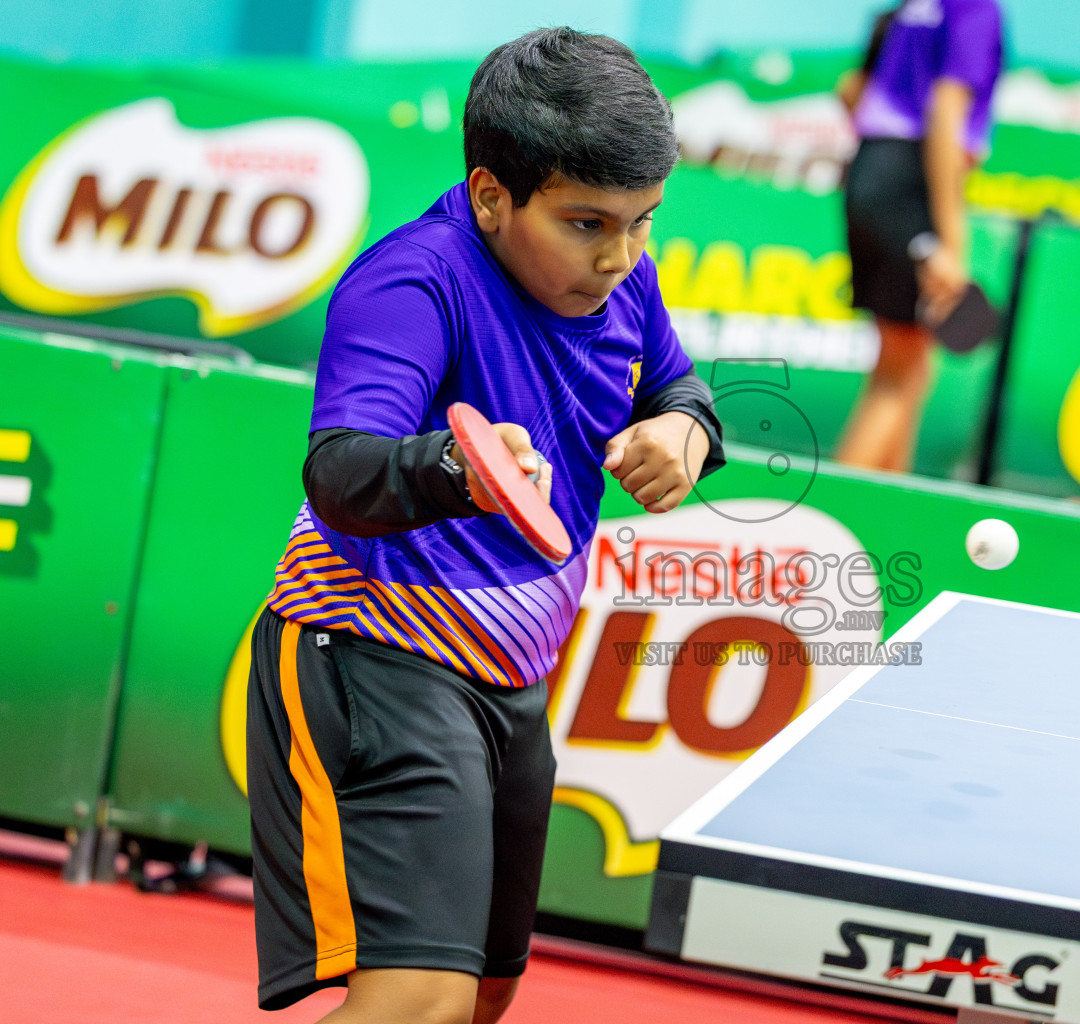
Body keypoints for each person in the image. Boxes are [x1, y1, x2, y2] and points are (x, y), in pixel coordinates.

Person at [246, 29, 724, 1024]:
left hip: (510, 684)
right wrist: (459, 467)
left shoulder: (622, 272)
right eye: (589, 222)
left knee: (484, 1000)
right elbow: (339, 473)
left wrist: (685, 427)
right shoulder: (413, 282)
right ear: (491, 194)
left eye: (643, 223)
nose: (621, 255)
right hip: (372, 652)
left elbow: (675, 382)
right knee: (419, 1000)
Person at [836, 0, 1004, 472]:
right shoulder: (975, 10)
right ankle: (831, 515)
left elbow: (851, 91)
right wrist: (952, 239)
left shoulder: (913, 8)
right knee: (899, 371)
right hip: (910, 184)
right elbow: (945, 114)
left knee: (908, 360)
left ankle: (887, 509)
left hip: (868, 174)